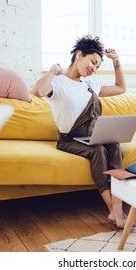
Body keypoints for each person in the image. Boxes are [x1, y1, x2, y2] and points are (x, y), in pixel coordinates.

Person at [33, 35, 127, 229]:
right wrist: (52, 71)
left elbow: (121, 88)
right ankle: (114, 209)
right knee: (98, 150)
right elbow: (38, 91)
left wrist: (116, 60)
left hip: (91, 136)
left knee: (115, 146)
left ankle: (117, 207)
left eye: (98, 66)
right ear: (79, 54)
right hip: (69, 139)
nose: (94, 68)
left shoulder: (89, 85)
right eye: (93, 61)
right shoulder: (58, 83)